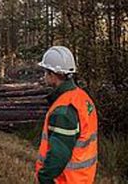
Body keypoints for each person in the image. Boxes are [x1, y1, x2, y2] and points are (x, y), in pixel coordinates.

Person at [35, 46, 98, 184]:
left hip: (66, 180)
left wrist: (43, 178)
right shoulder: (82, 97)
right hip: (82, 179)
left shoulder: (63, 110)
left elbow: (59, 154)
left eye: (46, 72)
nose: (44, 76)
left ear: (53, 74)